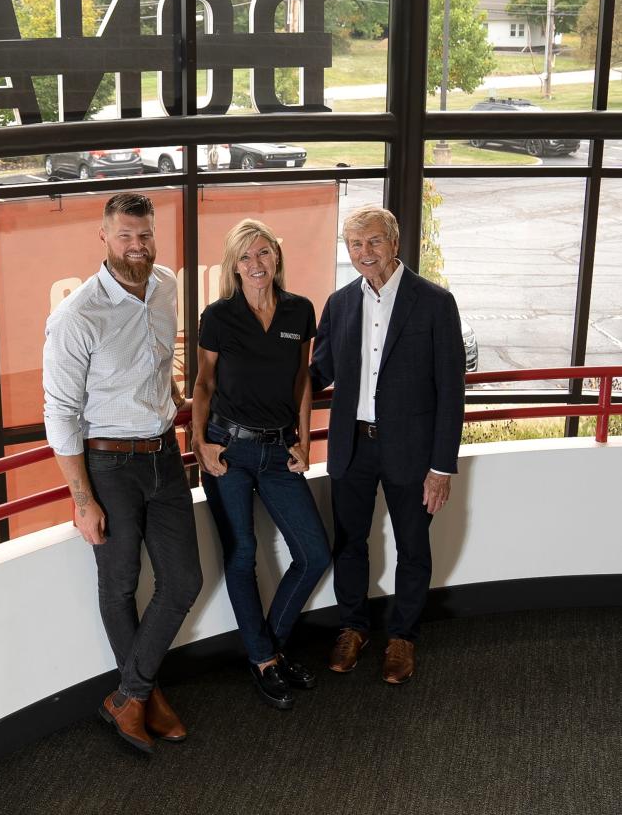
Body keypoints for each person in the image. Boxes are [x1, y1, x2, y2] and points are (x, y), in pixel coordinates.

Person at [43, 191, 203, 754]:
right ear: (104, 237)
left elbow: (159, 361)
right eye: (126, 236)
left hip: (162, 453)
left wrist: (177, 401)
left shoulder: (165, 286)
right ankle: (144, 697)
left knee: (184, 581)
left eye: (145, 234)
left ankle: (129, 696)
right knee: (121, 585)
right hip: (107, 463)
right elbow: (60, 411)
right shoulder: (76, 316)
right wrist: (81, 498)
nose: (138, 245)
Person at [311, 206, 465, 685]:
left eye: (374, 242)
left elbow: (450, 390)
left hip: (414, 453)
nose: (364, 253)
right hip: (352, 447)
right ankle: (353, 626)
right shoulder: (338, 304)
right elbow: (317, 373)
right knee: (349, 544)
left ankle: (402, 636)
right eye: (355, 245)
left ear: (394, 243)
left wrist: (441, 467)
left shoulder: (435, 303)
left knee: (413, 547)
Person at [190, 218, 330, 710]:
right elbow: (203, 384)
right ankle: (265, 659)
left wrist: (305, 441)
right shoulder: (218, 316)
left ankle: (267, 644)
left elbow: (301, 382)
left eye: (263, 254)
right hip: (226, 447)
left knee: (315, 553)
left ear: (277, 257)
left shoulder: (300, 311)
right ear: (233, 265)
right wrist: (198, 446)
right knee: (243, 552)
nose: (256, 265)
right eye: (245, 257)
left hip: (277, 450)